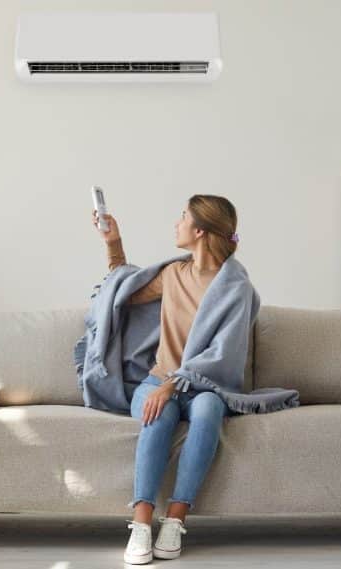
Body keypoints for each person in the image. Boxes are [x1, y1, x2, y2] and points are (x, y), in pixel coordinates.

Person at [91, 194, 244, 564]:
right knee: (158, 413)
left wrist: (172, 385)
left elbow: (223, 356)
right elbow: (121, 294)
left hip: (206, 385)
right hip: (156, 381)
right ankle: (141, 522)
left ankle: (176, 520)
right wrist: (114, 244)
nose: (176, 224)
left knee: (208, 410)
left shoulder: (235, 287)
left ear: (200, 231)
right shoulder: (174, 275)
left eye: (182, 217)